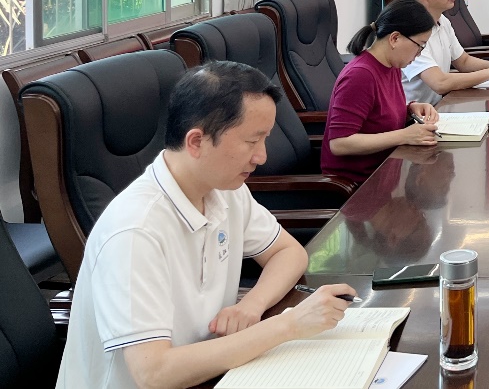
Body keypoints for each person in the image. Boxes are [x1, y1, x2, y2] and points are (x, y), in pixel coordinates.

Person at [56, 61, 357, 389]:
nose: (262, 156)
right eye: (252, 141)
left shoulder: (225, 189)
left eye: (265, 139)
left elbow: (289, 252)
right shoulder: (135, 230)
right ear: (196, 142)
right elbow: (153, 373)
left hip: (210, 373)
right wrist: (289, 326)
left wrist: (252, 306)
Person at [322, 0, 442, 185]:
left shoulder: (392, 65)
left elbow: (377, 114)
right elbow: (339, 143)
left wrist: (410, 109)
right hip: (357, 186)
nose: (419, 54)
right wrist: (405, 135)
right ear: (395, 38)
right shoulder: (360, 76)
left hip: (385, 172)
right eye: (420, 45)